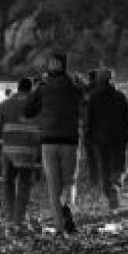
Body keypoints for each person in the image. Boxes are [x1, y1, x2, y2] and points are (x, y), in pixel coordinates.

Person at [25, 53, 84, 233]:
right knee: (70, 181)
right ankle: (68, 209)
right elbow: (85, 104)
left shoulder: (43, 88)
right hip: (70, 140)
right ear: (64, 66)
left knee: (53, 186)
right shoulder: (74, 87)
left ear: (50, 67)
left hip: (49, 141)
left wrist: (35, 90)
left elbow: (28, 111)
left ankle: (60, 227)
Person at [82, 69, 128, 210]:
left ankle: (109, 192)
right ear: (111, 80)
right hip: (119, 137)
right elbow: (127, 119)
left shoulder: (93, 98)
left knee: (104, 167)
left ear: (98, 81)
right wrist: (127, 135)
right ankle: (116, 186)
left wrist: (89, 136)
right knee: (119, 166)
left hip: (100, 138)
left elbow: (89, 120)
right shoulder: (120, 96)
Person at [0, 77, 41, 224]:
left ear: (18, 88)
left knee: (8, 182)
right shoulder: (38, 104)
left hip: (9, 150)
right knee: (24, 183)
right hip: (28, 150)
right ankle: (19, 218)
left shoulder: (6, 103)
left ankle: (10, 215)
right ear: (31, 89)